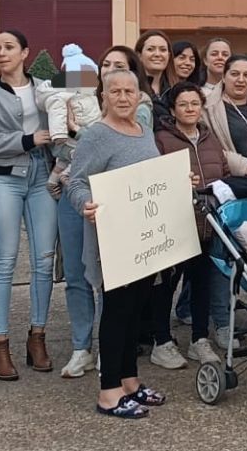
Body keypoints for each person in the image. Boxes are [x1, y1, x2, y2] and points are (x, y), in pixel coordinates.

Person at [68, 68, 170, 419]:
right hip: (113, 241)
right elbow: (76, 182)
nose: (124, 97)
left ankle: (130, 381)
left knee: (135, 311)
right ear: (104, 97)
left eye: (131, 91)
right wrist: (85, 204)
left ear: (140, 96)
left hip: (144, 241)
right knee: (116, 312)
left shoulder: (143, 132)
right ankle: (109, 391)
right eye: (117, 92)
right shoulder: (96, 135)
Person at [0, 29, 61, 380]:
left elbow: (69, 115)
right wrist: (26, 139)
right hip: (3, 178)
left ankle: (37, 336)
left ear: (25, 52)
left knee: (43, 260)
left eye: (8, 47)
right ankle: (0, 342)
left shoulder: (46, 87)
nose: (1, 53)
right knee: (4, 261)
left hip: (43, 176)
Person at [155, 83, 234, 366]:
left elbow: (223, 172)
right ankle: (161, 341)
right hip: (176, 223)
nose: (190, 109)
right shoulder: (161, 140)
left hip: (208, 224)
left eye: (194, 103)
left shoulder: (210, 138)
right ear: (173, 109)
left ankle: (199, 339)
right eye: (183, 104)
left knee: (201, 283)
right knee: (166, 285)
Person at [49, 48, 103, 379]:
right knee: (75, 274)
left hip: (106, 194)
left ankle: (108, 347)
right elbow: (57, 145)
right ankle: (81, 347)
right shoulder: (61, 97)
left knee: (110, 278)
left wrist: (78, 138)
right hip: (71, 194)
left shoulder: (110, 104)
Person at [133, 29, 174, 110]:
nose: (157, 54)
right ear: (139, 55)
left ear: (168, 56)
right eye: (150, 49)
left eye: (163, 50)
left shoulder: (174, 89)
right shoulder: (131, 87)